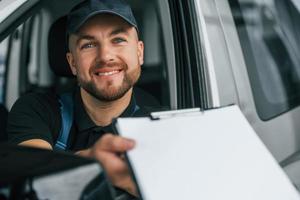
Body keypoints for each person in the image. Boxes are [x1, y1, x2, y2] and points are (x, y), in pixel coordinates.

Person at [7, 0, 157, 199]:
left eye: (118, 40)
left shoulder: (161, 124)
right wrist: (93, 166)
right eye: (88, 44)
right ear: (72, 63)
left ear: (139, 52)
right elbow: (36, 181)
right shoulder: (36, 110)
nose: (105, 56)